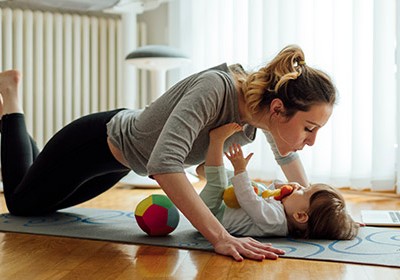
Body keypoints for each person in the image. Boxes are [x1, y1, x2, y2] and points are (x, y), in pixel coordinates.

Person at [0, 44, 336, 261]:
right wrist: (220, 237)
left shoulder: (260, 115)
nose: (311, 141)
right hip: (93, 142)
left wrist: (320, 199)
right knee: (20, 203)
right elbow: (164, 165)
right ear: (279, 109)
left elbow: (287, 158)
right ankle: (10, 96)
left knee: (46, 204)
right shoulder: (216, 89)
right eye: (309, 128)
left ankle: (31, 149)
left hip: (123, 163)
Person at [199, 123, 359, 239]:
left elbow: (249, 200)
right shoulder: (285, 211)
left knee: (220, 183)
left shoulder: (274, 221)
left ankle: (216, 140)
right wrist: (281, 186)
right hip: (222, 207)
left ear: (300, 216)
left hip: (211, 215)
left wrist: (240, 169)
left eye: (303, 191)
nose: (299, 188)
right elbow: (269, 191)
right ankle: (205, 169)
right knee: (251, 185)